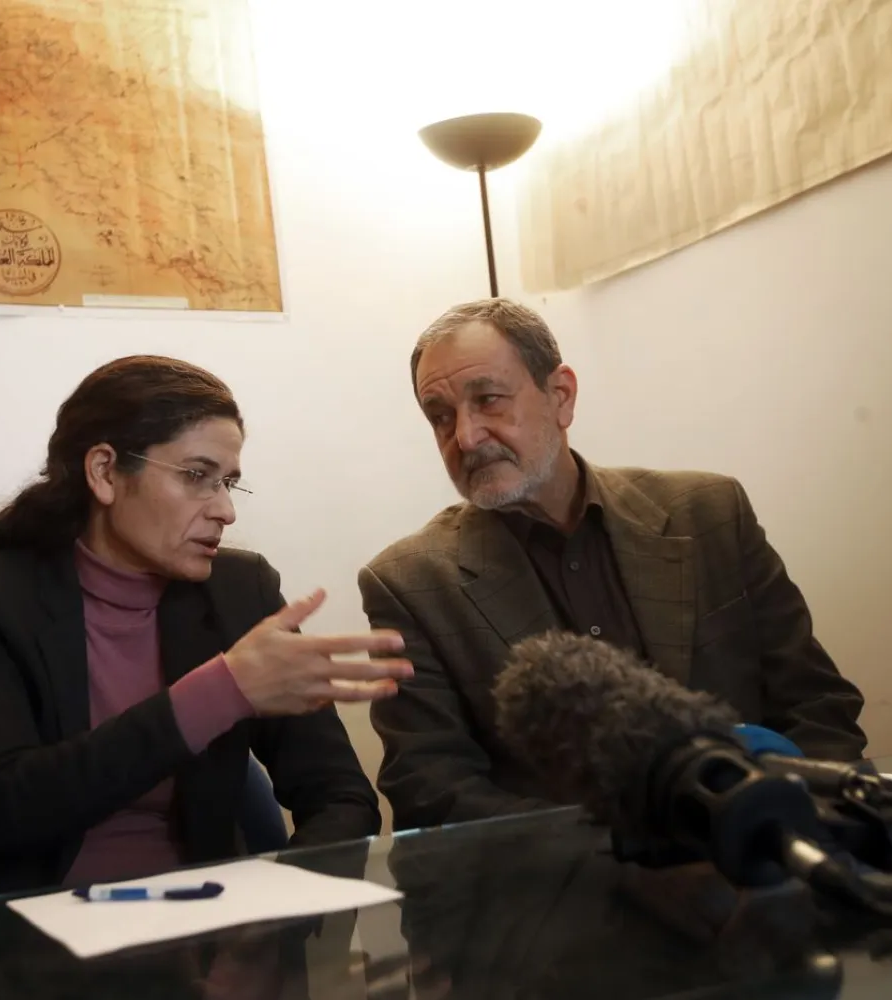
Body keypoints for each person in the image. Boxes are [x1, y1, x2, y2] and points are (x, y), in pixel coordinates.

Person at [0, 355, 411, 906]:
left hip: (207, 925)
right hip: (31, 930)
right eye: (196, 476)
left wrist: (284, 912)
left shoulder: (240, 590)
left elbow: (340, 797)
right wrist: (224, 690)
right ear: (105, 472)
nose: (226, 510)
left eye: (229, 483)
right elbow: (4, 809)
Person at [361, 299, 866, 832]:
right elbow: (436, 793)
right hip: (569, 877)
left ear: (561, 396)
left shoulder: (710, 512)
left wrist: (812, 825)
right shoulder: (410, 584)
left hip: (773, 847)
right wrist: (635, 859)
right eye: (440, 417)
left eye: (488, 400)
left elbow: (818, 705)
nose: (465, 437)